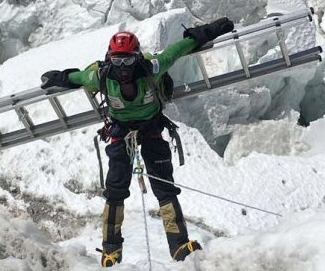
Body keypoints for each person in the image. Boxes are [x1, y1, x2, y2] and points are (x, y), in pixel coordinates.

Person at [40, 17, 234, 267]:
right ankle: (111, 251)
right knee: (115, 189)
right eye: (117, 61)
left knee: (164, 185)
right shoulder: (101, 75)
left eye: (128, 61)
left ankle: (178, 245)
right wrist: (59, 77)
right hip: (121, 133)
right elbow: (78, 77)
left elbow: (180, 48)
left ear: (138, 58)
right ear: (109, 60)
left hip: (151, 128)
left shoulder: (152, 66)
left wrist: (210, 30)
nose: (122, 67)